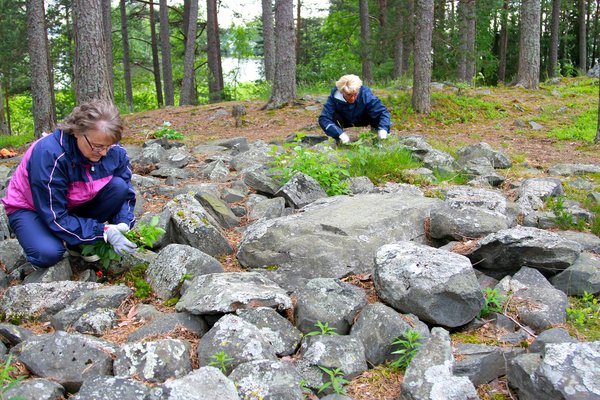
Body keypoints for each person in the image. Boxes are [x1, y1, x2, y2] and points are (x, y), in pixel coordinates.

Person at [1, 100, 137, 269]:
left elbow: (126, 193)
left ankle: (77, 242)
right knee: (48, 253)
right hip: (32, 208)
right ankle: (46, 236)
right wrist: (102, 231)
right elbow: (54, 215)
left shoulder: (114, 151)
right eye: (97, 146)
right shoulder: (49, 154)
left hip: (74, 205)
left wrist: (123, 222)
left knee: (118, 187)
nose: (103, 153)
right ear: (77, 132)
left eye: (108, 146)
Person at [318, 74, 391, 144]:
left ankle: (378, 140)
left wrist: (383, 130)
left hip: (364, 118)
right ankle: (340, 140)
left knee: (378, 114)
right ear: (342, 92)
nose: (352, 98)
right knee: (332, 116)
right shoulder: (334, 97)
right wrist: (339, 134)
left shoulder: (365, 95)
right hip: (344, 119)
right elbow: (324, 118)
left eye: (355, 94)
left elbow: (382, 112)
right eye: (349, 95)